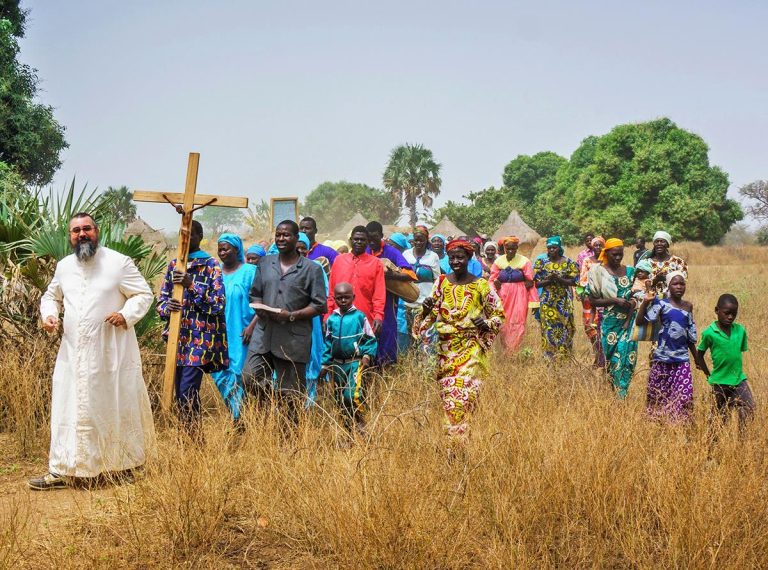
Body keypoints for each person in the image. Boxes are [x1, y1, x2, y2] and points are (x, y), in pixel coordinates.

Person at [30, 213, 155, 490]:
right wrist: (49, 314)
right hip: (73, 353)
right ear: (70, 236)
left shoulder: (119, 263)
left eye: (87, 228)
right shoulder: (64, 266)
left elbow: (144, 294)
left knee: (113, 404)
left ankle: (121, 466)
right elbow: (51, 296)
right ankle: (63, 469)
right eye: (76, 230)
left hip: (111, 352)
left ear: (97, 231)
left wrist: (126, 315)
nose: (82, 234)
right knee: (69, 407)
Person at [415, 239, 504, 439]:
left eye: (460, 257)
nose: (456, 261)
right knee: (449, 397)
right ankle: (456, 441)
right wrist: (426, 310)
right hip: (446, 350)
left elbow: (498, 314)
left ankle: (459, 439)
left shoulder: (481, 285)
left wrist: (485, 324)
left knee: (465, 395)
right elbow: (430, 314)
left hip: (471, 348)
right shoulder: (442, 282)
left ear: (469, 258)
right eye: (452, 257)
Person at [243, 220, 327, 426]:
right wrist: (261, 307)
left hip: (293, 339)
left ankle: (288, 443)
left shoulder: (311, 269)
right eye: (278, 235)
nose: (281, 239)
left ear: (296, 238)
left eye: (286, 235)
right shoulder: (265, 263)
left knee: (291, 397)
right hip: (264, 334)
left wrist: (291, 315)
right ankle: (272, 398)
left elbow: (319, 305)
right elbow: (255, 294)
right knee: (249, 378)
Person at [157, 220, 228, 430]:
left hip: (200, 339)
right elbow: (160, 302)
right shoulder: (174, 265)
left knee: (187, 390)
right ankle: (191, 440)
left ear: (200, 236)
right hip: (176, 339)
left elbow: (218, 305)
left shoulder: (210, 264)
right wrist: (166, 307)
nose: (185, 240)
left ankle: (191, 441)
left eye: (190, 235)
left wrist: (191, 285)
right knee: (180, 393)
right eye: (181, 236)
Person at [636, 272, 699, 422]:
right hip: (662, 359)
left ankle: (680, 425)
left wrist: (697, 359)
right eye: (675, 284)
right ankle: (658, 425)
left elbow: (690, 337)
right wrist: (645, 302)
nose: (679, 287)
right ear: (669, 286)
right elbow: (640, 322)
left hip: (682, 359)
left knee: (684, 395)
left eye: (682, 284)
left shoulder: (688, 306)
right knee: (658, 395)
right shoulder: (661, 304)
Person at [210, 233, 258, 421]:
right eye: (220, 248)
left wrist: (252, 327)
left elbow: (260, 302)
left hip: (242, 332)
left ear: (236, 249)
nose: (222, 252)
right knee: (220, 375)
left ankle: (241, 419)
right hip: (218, 333)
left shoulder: (249, 272)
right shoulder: (215, 273)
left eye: (226, 248)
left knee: (238, 374)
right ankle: (237, 413)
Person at [322, 282, 378, 436]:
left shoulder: (359, 317)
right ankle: (348, 429)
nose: (343, 301)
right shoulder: (332, 319)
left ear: (353, 297)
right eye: (339, 298)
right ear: (334, 299)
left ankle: (360, 421)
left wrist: (367, 355)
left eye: (346, 297)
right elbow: (328, 343)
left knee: (352, 395)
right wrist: (325, 363)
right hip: (338, 364)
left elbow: (370, 339)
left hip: (354, 362)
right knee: (340, 398)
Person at [587, 239, 638, 398]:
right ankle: (612, 391)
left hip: (629, 322)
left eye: (620, 254)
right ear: (606, 253)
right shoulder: (597, 272)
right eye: (614, 254)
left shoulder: (631, 271)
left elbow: (639, 293)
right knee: (610, 360)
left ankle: (622, 395)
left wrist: (633, 302)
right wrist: (614, 301)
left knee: (625, 357)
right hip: (609, 323)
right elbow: (593, 300)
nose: (618, 257)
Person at [697, 294, 754, 432]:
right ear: (717, 310)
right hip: (719, 382)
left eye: (733, 314)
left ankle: (741, 441)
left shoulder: (740, 330)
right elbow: (699, 355)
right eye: (726, 313)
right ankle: (712, 448)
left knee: (749, 407)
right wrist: (708, 374)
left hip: (739, 379)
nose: (730, 317)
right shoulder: (709, 333)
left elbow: (737, 353)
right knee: (718, 418)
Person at [366, 221, 416, 366]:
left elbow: (410, 274)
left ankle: (387, 369)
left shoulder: (392, 252)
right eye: (369, 239)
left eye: (375, 238)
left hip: (387, 302)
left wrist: (387, 275)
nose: (371, 242)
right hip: (367, 301)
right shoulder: (365, 250)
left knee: (387, 334)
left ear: (381, 236)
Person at [489, 236, 539, 352]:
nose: (510, 251)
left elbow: (531, 282)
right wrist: (493, 289)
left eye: (513, 249)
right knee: (503, 321)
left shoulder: (524, 261)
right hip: (502, 295)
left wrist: (534, 302)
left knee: (518, 321)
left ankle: (513, 350)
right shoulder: (498, 261)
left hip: (519, 295)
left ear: (517, 248)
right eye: (508, 249)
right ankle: (505, 349)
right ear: (504, 248)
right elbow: (491, 280)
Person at [296, 232, 329, 406]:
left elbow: (322, 295)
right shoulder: (284, 267)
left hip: (310, 320)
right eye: (297, 247)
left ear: (308, 250)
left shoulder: (316, 268)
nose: (300, 251)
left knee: (311, 355)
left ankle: (309, 402)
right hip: (289, 322)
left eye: (303, 248)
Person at [533, 236, 579, 359]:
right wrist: (548, 280)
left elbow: (574, 282)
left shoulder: (569, 263)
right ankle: (549, 358)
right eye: (549, 248)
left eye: (554, 247)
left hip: (563, 301)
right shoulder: (541, 263)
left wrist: (559, 279)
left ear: (559, 248)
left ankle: (564, 357)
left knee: (566, 328)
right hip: (547, 301)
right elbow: (535, 283)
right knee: (548, 328)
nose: (552, 250)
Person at [577, 236, 605, 367]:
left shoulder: (607, 260)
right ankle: (597, 354)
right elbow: (583, 278)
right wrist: (582, 293)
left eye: (600, 245)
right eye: (596, 245)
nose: (598, 247)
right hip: (589, 298)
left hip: (605, 298)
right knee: (589, 327)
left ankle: (602, 358)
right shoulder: (587, 260)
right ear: (592, 247)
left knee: (602, 327)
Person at [386, 232, 413, 353]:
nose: (389, 247)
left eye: (392, 244)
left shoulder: (403, 261)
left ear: (400, 247)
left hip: (404, 299)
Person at [645, 231, 688, 296]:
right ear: (654, 244)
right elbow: (641, 284)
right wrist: (656, 280)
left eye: (662, 241)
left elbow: (681, 284)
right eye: (657, 241)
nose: (659, 243)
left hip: (672, 302)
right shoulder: (646, 262)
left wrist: (668, 278)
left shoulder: (678, 262)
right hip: (651, 301)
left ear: (667, 244)